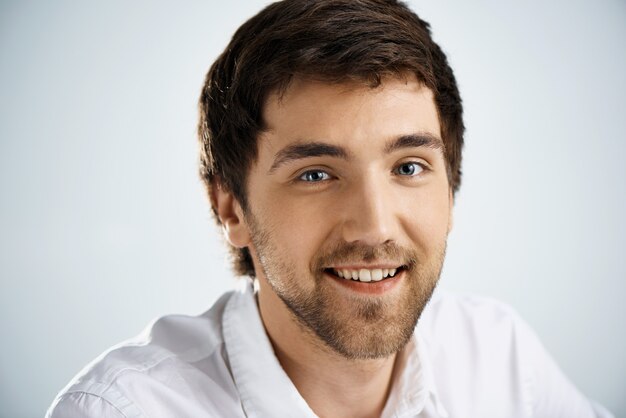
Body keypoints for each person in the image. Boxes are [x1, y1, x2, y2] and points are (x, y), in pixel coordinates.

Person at [47, 0, 614, 417]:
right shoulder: (123, 409)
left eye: (409, 168)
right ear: (230, 207)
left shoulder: (499, 360)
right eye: (316, 174)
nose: (374, 225)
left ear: (451, 185)